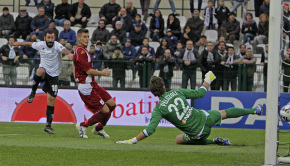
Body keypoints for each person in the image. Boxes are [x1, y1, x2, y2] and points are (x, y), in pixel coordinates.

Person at [116, 73, 264, 145]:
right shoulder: (177, 91)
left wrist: (132, 140)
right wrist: (207, 80)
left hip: (199, 132)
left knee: (178, 139)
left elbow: (150, 130)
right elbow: (200, 93)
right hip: (205, 116)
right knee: (224, 113)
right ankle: (254, 110)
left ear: (153, 93)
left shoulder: (159, 108)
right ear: (164, 87)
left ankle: (215, 141)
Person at [13, 29, 74, 134]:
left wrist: (69, 54)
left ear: (54, 38)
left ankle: (48, 126)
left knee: (51, 100)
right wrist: (19, 43)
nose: (50, 40)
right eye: (48, 37)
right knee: (39, 70)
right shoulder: (40, 44)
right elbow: (29, 43)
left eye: (52, 37)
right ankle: (33, 92)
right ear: (45, 38)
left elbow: (65, 50)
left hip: (54, 75)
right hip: (44, 71)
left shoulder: (57, 45)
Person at [73, 28, 116, 139]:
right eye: (84, 37)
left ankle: (99, 128)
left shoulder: (83, 50)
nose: (87, 39)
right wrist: (103, 73)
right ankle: (83, 125)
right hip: (87, 87)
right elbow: (88, 71)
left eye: (88, 37)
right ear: (78, 38)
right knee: (105, 111)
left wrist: (76, 77)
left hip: (92, 84)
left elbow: (76, 66)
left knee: (112, 104)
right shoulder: (80, 51)